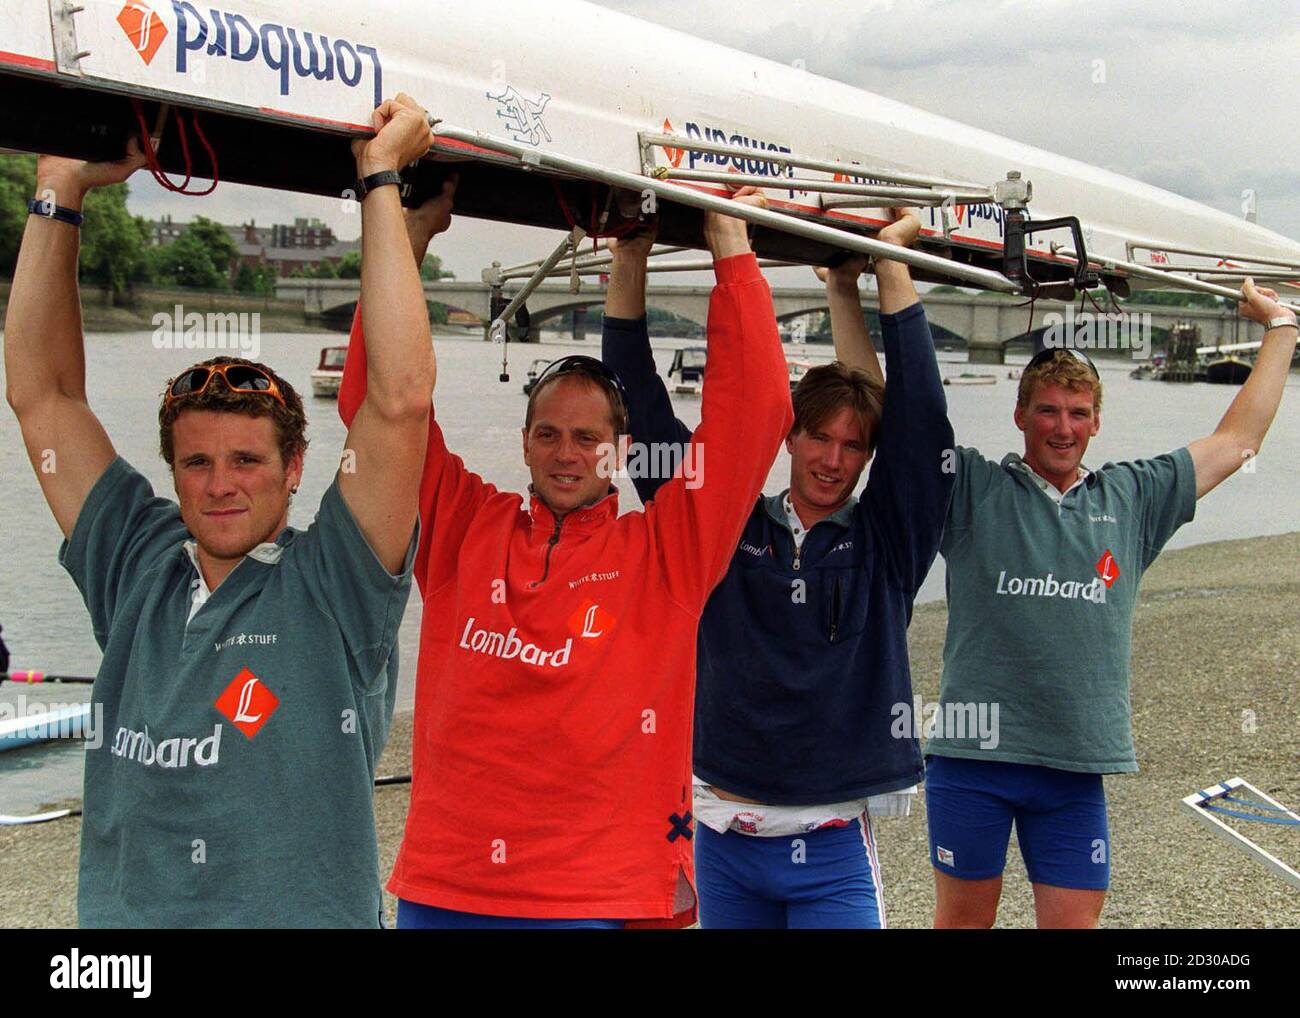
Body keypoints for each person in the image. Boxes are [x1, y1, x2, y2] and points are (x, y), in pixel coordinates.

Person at [3, 94, 443, 927]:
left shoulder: (337, 581)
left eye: (248, 461)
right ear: (170, 472)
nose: (220, 484)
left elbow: (398, 402)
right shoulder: (135, 559)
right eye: (197, 462)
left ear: (295, 471)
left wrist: (380, 182)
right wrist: (59, 188)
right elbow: (42, 394)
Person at [337, 187, 793, 928]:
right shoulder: (462, 528)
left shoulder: (668, 550)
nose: (565, 454)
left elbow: (757, 413)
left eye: (588, 438)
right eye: (548, 434)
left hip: (594, 894)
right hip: (446, 883)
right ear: (523, 443)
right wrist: (406, 235)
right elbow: (376, 403)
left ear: (622, 451)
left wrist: (730, 245)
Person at [601, 209, 954, 927]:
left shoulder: (889, 542)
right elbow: (639, 411)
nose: (832, 459)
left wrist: (892, 268)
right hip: (723, 839)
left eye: (853, 447)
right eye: (818, 437)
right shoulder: (721, 527)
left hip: (830, 849)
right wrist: (629, 256)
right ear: (787, 433)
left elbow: (921, 430)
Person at [926, 280, 1299, 929]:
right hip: (971, 760)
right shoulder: (975, 489)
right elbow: (902, 425)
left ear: (1098, 420)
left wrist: (1282, 326)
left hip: (1074, 766)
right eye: (1046, 411)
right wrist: (858, 289)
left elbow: (1239, 441)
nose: (1062, 428)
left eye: (1077, 413)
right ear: (1020, 416)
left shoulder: (1133, 498)